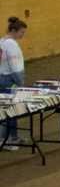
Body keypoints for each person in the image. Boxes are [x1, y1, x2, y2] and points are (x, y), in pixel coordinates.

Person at [0, 16, 24, 148]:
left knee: (4, 109)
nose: (22, 35)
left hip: (1, 78)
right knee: (11, 110)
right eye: (22, 32)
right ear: (14, 30)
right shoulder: (12, 45)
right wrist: (21, 83)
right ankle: (8, 139)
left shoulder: (2, 41)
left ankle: (10, 137)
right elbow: (16, 67)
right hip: (9, 80)